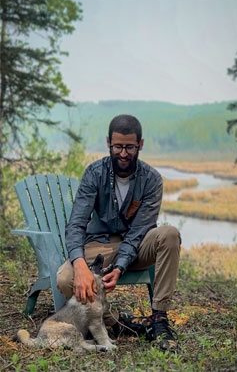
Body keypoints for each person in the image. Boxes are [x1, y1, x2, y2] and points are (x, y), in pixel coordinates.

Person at [57, 114, 181, 351]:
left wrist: (120, 266)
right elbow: (76, 224)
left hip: (137, 246)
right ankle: (115, 322)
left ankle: (159, 320)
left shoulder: (152, 180)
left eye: (130, 147)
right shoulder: (94, 173)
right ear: (108, 143)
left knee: (169, 234)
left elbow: (138, 232)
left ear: (140, 145)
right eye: (118, 147)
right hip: (100, 245)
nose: (123, 154)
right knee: (65, 278)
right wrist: (80, 264)